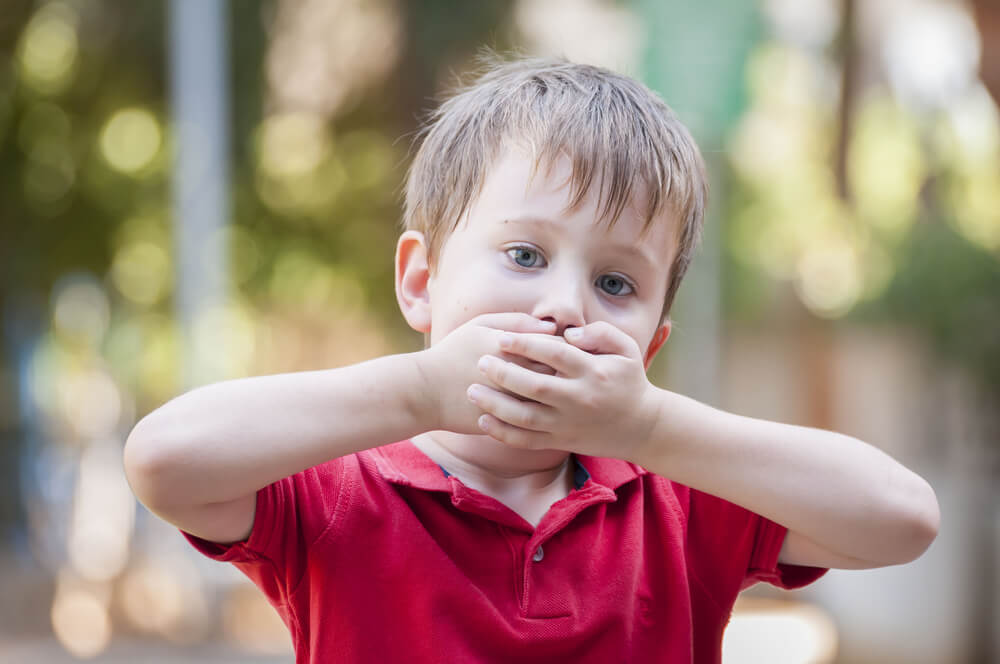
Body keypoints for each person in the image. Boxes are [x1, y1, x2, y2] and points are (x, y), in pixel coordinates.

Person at [123, 55, 940, 663]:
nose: (564, 305)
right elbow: (164, 461)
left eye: (616, 281)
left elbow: (903, 519)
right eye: (523, 255)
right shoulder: (343, 490)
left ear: (652, 344)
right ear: (421, 282)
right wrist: (418, 394)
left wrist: (650, 426)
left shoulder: (681, 503)